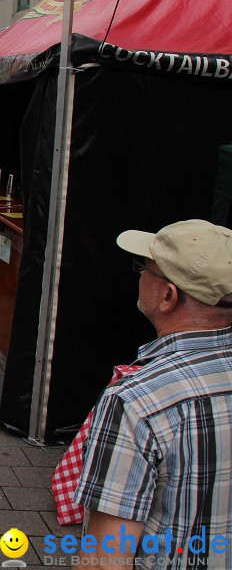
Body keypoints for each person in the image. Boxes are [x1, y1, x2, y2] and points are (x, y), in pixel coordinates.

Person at [73, 220, 232, 567]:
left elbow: (105, 557)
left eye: (143, 268)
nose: (139, 275)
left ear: (168, 296)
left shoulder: (136, 401)